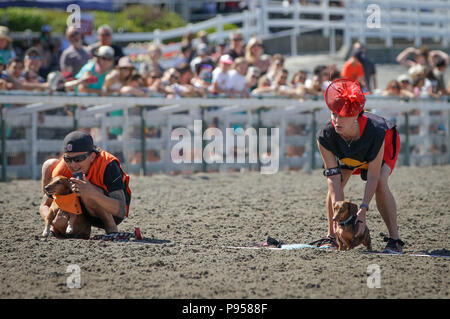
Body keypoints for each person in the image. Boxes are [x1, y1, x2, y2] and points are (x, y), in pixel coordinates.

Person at [313, 79, 404, 253]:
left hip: (383, 144)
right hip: (349, 148)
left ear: (355, 116)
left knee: (381, 182)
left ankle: (395, 240)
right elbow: (332, 180)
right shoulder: (325, 135)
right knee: (337, 183)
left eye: (343, 116)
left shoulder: (376, 133)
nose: (336, 120)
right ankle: (332, 236)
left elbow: (372, 177)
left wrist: (362, 212)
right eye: (334, 114)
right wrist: (340, 221)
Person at [39, 131, 131, 238]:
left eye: (79, 159)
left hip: (111, 213)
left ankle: (111, 229)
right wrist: (51, 220)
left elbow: (121, 211)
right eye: (68, 159)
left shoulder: (107, 164)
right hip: (78, 211)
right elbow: (44, 205)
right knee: (48, 165)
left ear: (92, 156)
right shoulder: (62, 169)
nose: (73, 165)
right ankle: (58, 227)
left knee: (87, 191)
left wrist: (91, 192)